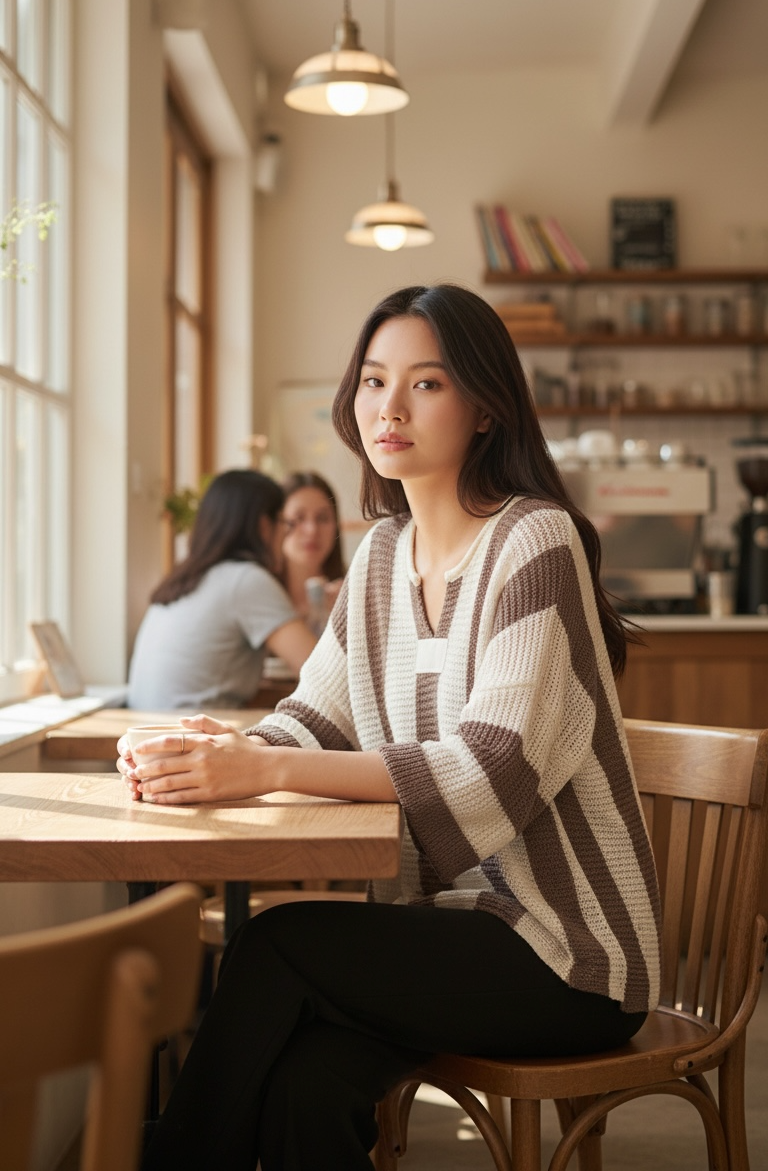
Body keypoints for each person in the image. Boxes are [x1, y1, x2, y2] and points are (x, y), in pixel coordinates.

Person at [119, 284, 662, 1171]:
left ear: (485, 407)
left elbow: (495, 765)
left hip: (570, 953)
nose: (390, 408)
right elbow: (316, 717)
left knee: (275, 943)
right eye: (374, 381)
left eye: (427, 384)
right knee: (305, 1084)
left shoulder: (535, 540)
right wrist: (229, 749)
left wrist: (265, 773)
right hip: (445, 927)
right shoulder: (378, 556)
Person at [126, 469, 317, 711]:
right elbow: (320, 672)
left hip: (144, 726)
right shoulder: (246, 580)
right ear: (264, 525)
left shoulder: (184, 578)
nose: (286, 534)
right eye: (284, 523)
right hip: (192, 729)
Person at [277, 470, 345, 634]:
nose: (312, 530)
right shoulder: (260, 594)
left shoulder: (351, 592)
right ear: (277, 524)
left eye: (322, 518)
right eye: (299, 518)